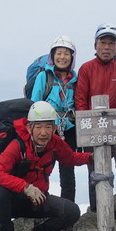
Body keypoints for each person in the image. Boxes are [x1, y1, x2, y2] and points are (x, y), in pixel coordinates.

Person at [0, 101, 91, 231]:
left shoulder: (55, 143)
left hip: (38, 199)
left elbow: (71, 158)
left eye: (48, 127)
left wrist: (91, 157)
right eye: (39, 127)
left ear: (54, 128)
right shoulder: (18, 145)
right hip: (15, 201)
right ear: (29, 128)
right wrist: (25, 187)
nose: (44, 132)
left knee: (72, 211)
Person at [74, 23, 116, 210]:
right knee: (95, 169)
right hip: (93, 129)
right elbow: (80, 100)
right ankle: (96, 210)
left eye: (111, 43)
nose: (107, 47)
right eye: (103, 42)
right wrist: (84, 131)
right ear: (95, 45)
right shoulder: (86, 68)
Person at [30, 35, 78, 202]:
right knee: (41, 168)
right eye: (59, 53)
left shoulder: (76, 79)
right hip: (47, 129)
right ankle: (39, 204)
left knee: (68, 169)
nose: (62, 57)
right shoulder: (44, 77)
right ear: (52, 56)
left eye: (66, 53)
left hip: (69, 128)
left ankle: (68, 207)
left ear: (72, 57)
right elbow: (34, 103)